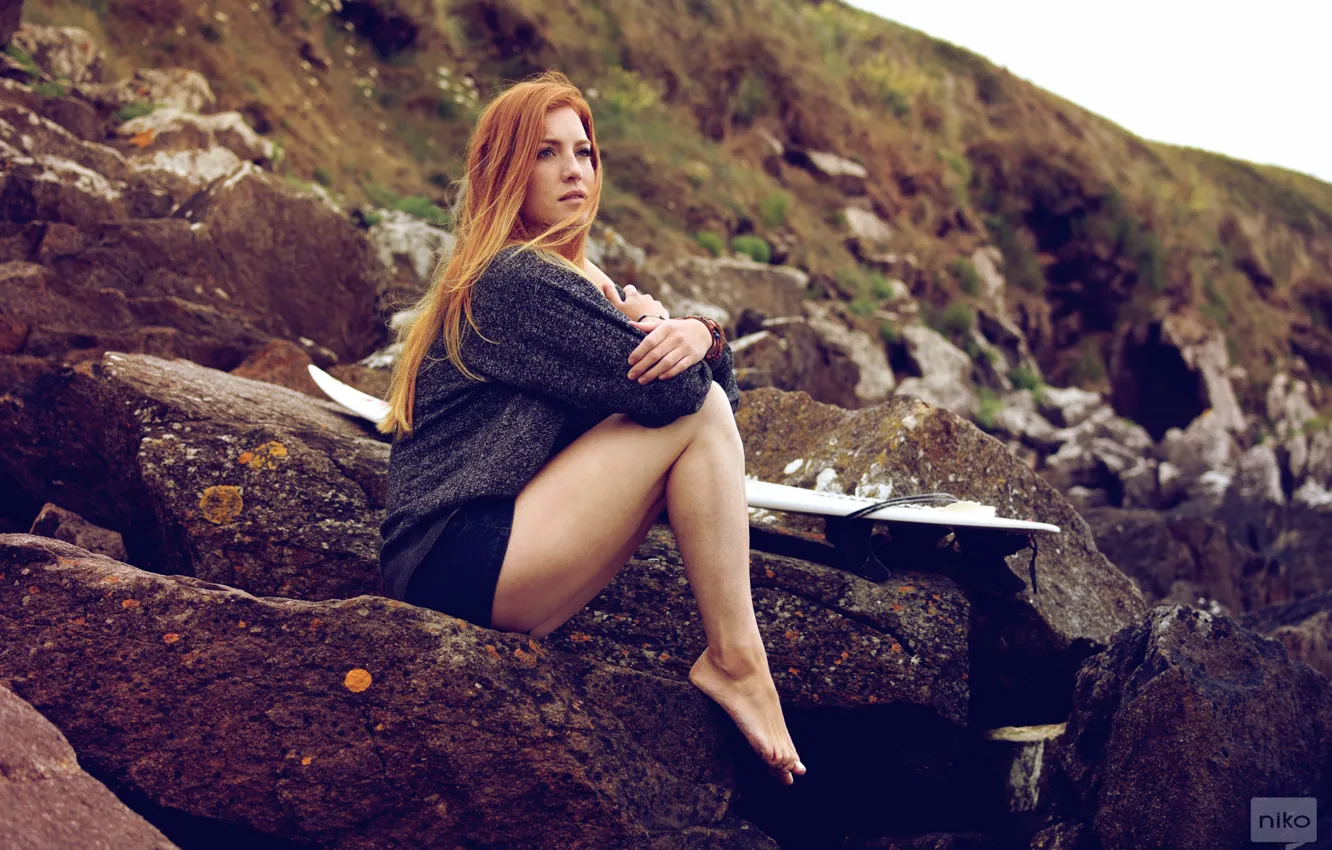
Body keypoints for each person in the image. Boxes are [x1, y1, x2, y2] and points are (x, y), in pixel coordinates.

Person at [377, 70, 805, 785]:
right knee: (695, 411)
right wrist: (687, 330)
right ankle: (736, 661)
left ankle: (736, 663)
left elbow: (704, 405)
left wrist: (686, 337)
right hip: (457, 559)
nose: (574, 170)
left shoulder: (545, 275)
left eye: (584, 152)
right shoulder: (516, 279)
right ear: (504, 171)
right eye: (545, 153)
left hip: (470, 569)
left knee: (698, 413)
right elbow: (690, 400)